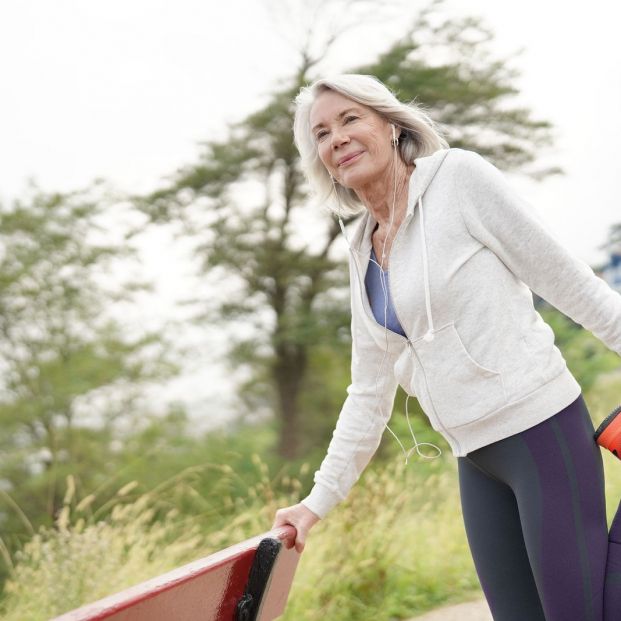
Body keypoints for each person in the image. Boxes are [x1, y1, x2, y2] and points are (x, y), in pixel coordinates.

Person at [270, 73, 621, 620]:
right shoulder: (361, 249)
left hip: (542, 434)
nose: (335, 137)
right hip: (475, 459)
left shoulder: (459, 180)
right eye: (320, 132)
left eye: (350, 119)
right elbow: (368, 394)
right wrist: (316, 503)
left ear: (390, 126)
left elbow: (571, 283)